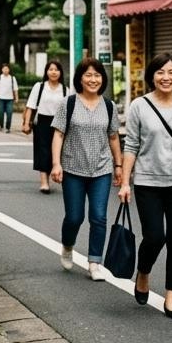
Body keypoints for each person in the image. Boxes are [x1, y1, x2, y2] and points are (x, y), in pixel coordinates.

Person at [117, 53, 172, 319]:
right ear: (152, 75)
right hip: (148, 183)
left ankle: (171, 298)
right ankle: (143, 272)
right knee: (155, 236)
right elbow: (131, 145)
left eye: (171, 72)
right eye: (160, 72)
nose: (165, 77)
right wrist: (125, 183)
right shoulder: (139, 106)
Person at [50, 58, 122, 280]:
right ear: (80, 78)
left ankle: (94, 262)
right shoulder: (68, 103)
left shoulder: (109, 106)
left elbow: (113, 137)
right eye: (88, 75)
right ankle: (68, 246)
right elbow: (58, 134)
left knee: (99, 217)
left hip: (101, 169)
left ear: (103, 79)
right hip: (73, 168)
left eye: (97, 75)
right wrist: (56, 163)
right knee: (74, 217)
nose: (93, 80)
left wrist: (118, 165)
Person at [21, 59, 67, 193]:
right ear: (46, 72)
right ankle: (44, 181)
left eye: (56, 70)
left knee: (57, 151)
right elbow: (30, 105)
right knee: (42, 150)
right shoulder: (39, 87)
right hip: (41, 121)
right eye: (51, 69)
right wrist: (26, 123)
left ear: (60, 72)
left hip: (59, 123)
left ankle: (54, 172)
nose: (53, 72)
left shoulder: (65, 90)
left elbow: (68, 110)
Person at [0, 63, 19, 132]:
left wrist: (16, 97)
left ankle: (8, 127)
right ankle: (1, 126)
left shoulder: (12, 78)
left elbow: (15, 89)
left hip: (10, 99)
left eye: (7, 69)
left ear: (9, 70)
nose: (5, 70)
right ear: (2, 70)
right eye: (4, 69)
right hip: (0, 98)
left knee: (9, 113)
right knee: (0, 113)